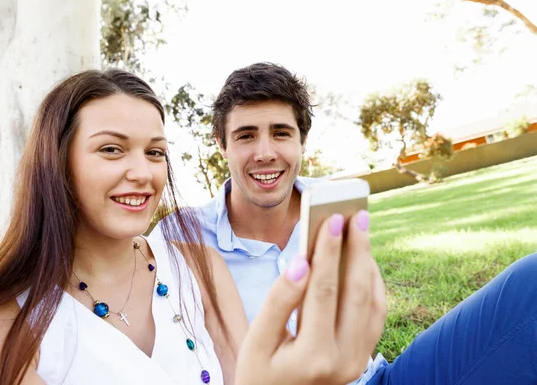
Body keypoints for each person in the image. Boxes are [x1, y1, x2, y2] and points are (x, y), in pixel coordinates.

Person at [0, 68, 385, 385]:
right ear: (56, 163)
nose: (143, 172)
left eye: (154, 152)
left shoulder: (197, 264)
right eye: (112, 150)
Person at [154, 61, 537, 384]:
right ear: (222, 145)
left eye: (281, 133)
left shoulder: (334, 203)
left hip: (377, 379)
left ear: (302, 141)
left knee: (530, 282)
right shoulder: (179, 236)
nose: (265, 153)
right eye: (245, 136)